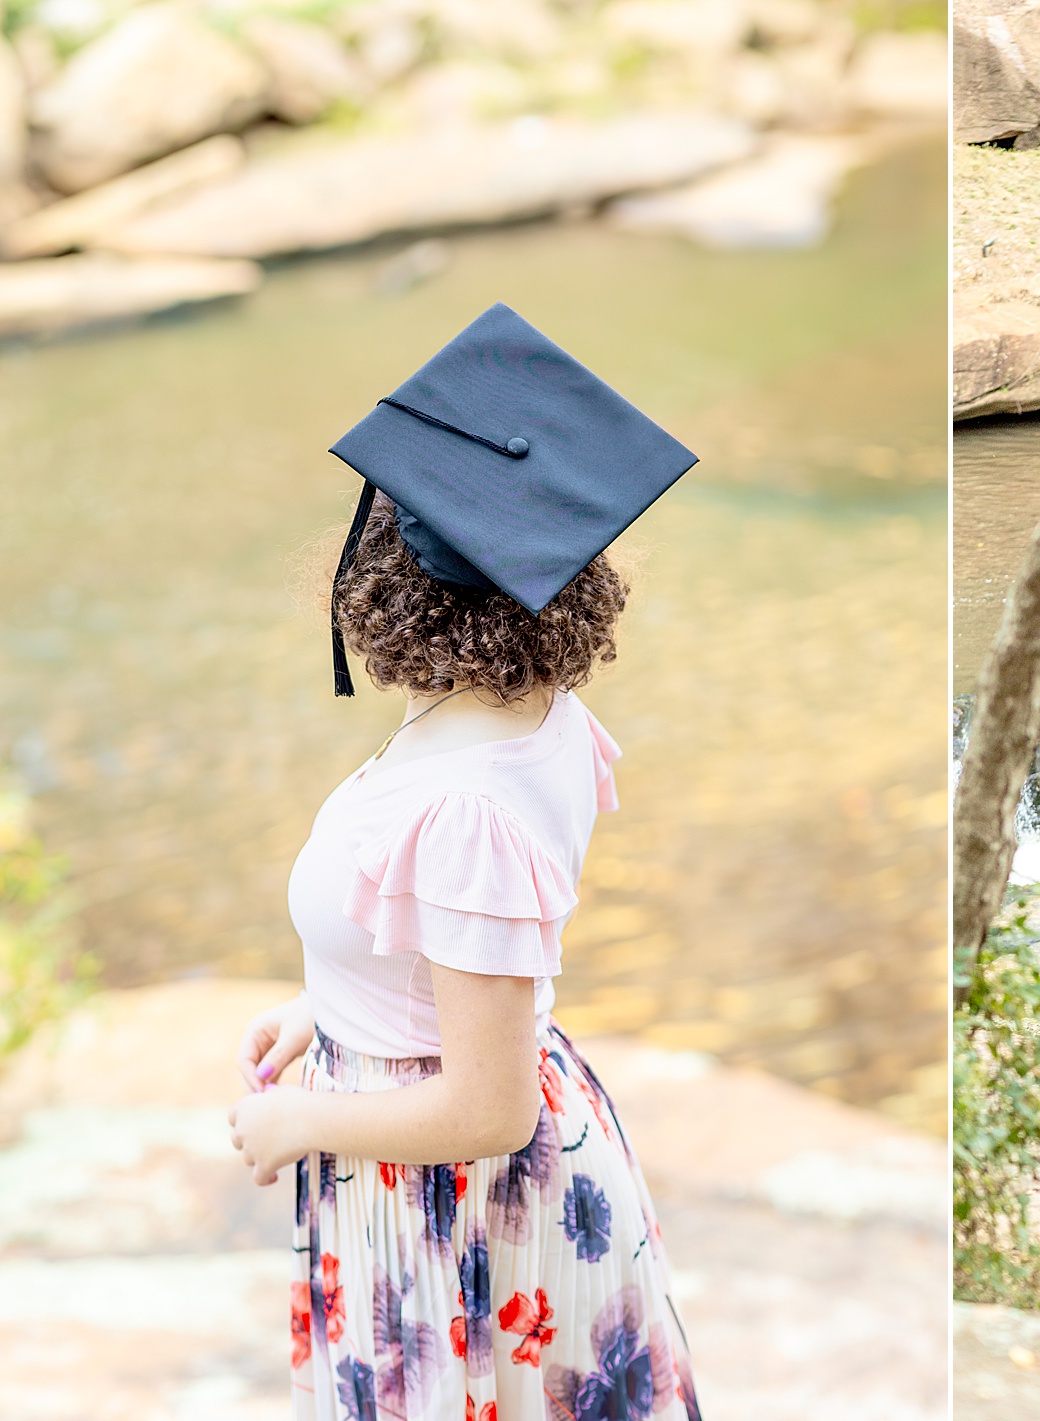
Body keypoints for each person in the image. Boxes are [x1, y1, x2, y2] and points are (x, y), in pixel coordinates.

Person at [227, 304, 703, 1420]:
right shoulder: (535, 709)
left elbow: (489, 1108)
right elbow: (452, 942)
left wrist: (299, 1119)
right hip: (435, 1134)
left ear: (387, 583)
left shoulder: (460, 800)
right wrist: (328, 1005)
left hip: (455, 1197)